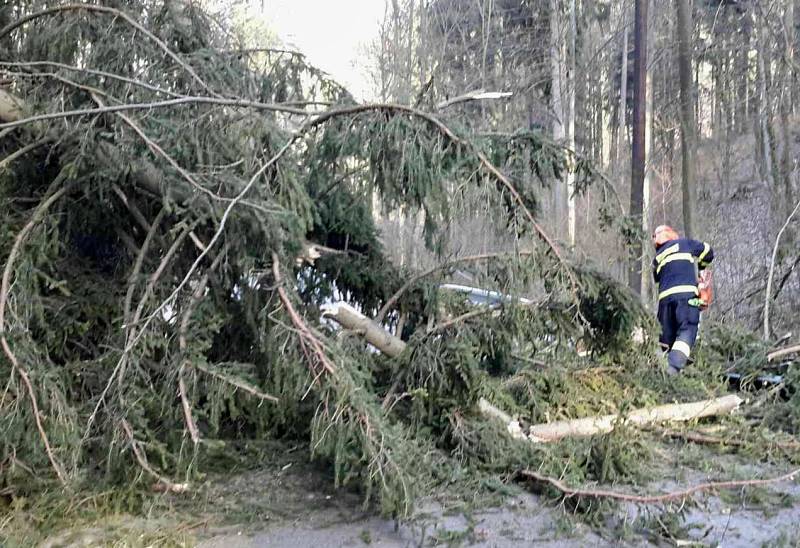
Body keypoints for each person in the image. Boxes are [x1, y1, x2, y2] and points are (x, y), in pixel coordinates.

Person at [651, 225, 714, 375]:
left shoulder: (657, 257)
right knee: (688, 329)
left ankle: (661, 369)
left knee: (666, 338)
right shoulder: (685, 244)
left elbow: (657, 278)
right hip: (686, 298)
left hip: (664, 301)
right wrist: (700, 266)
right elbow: (708, 252)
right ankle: (673, 367)